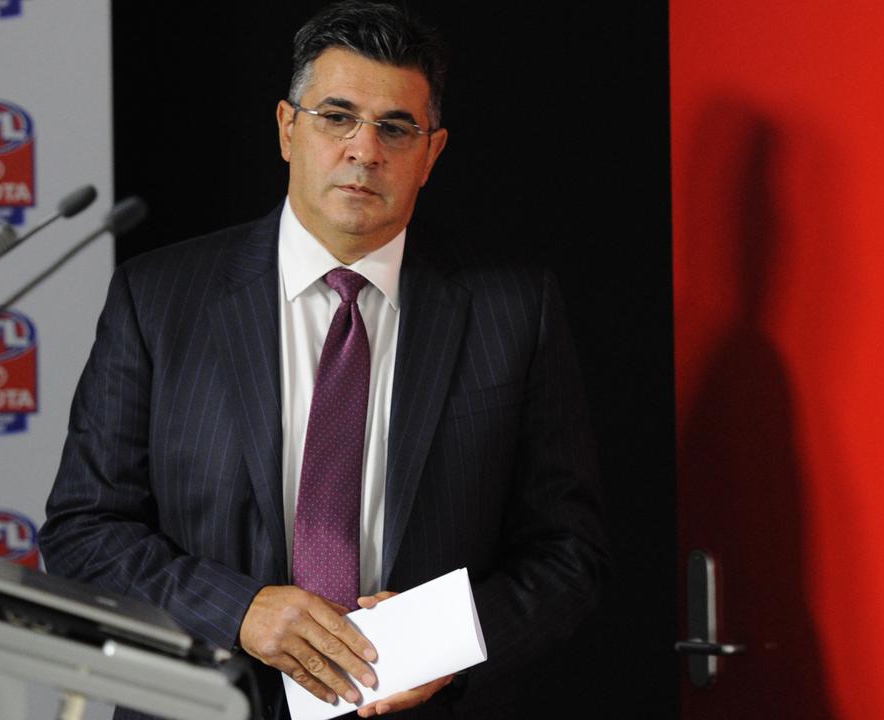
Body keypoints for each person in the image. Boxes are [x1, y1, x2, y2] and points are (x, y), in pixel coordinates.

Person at [39, 3, 607, 718]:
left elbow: (568, 554)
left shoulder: (513, 311)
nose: (364, 150)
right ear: (287, 128)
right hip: (207, 701)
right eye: (337, 117)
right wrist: (239, 610)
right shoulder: (159, 298)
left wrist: (446, 642)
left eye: (396, 128)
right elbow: (83, 531)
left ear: (431, 154)